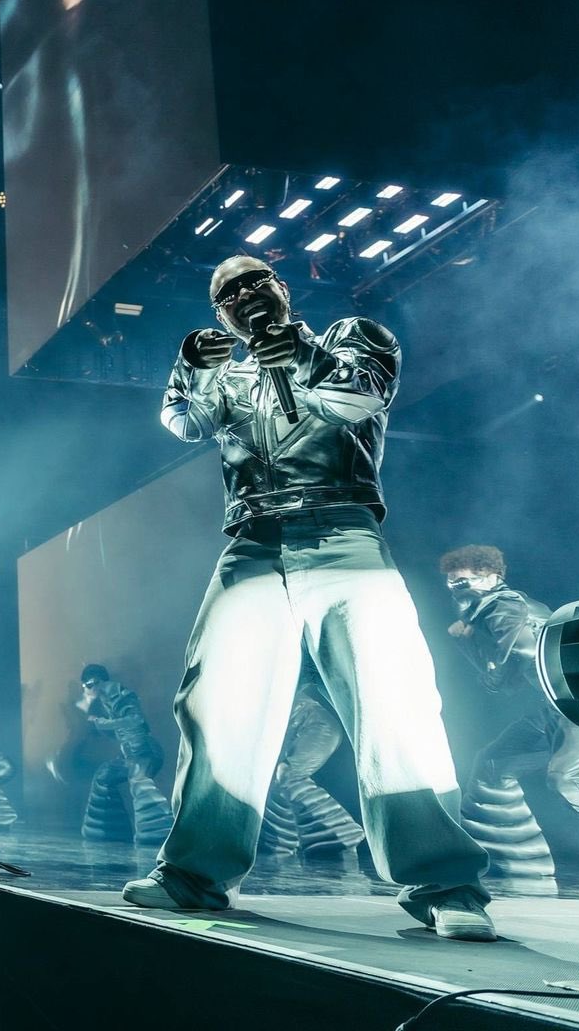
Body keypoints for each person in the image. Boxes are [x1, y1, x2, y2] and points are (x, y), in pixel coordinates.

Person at [122, 254, 495, 942]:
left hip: (342, 531)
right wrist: (192, 368)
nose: (241, 295)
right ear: (220, 316)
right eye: (226, 293)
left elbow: (363, 397)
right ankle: (192, 876)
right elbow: (183, 423)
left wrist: (299, 356)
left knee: (395, 704)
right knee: (216, 707)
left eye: (253, 281)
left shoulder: (351, 335)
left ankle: (446, 885)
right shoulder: (227, 378)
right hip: (252, 544)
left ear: (281, 289)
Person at [440, 544, 579, 878]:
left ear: (492, 577)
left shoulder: (501, 605)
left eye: (464, 582)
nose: (456, 589)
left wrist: (469, 642)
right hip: (556, 707)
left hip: (576, 706)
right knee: (493, 763)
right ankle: (518, 864)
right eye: (452, 583)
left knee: (568, 778)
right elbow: (511, 679)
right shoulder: (511, 605)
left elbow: (508, 667)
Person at [258, 664, 366, 861]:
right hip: (312, 729)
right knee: (275, 781)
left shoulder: (259, 692)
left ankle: (341, 834)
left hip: (319, 729)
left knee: (287, 774)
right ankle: (279, 844)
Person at [78, 664, 172, 845]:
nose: (86, 691)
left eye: (86, 686)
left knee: (139, 779)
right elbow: (121, 730)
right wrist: (101, 727)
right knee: (104, 776)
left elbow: (135, 720)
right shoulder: (108, 698)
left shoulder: (118, 693)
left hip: (144, 751)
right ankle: (108, 832)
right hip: (131, 754)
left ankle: (158, 833)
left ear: (94, 682)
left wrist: (102, 723)